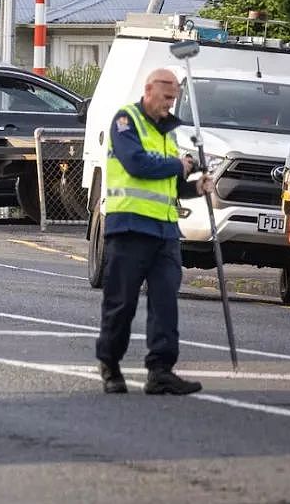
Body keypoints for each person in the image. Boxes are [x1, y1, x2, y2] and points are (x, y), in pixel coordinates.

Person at [96, 68, 213, 395]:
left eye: (174, 99)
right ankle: (110, 364)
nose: (169, 105)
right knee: (122, 302)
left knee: (165, 302)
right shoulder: (126, 121)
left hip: (164, 231)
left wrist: (194, 187)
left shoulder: (168, 132)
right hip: (131, 227)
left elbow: (170, 183)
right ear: (149, 90)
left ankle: (160, 370)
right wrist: (179, 166)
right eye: (166, 97)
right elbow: (137, 164)